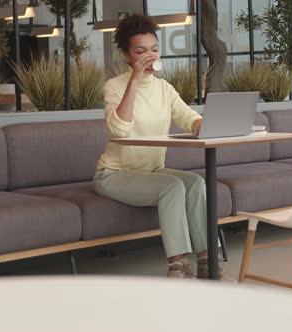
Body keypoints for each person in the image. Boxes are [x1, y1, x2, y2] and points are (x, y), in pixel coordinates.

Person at [93, 14, 217, 279]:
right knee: (172, 187)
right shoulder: (114, 87)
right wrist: (135, 79)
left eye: (154, 49)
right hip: (114, 174)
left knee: (195, 183)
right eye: (140, 51)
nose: (149, 56)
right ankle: (179, 267)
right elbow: (119, 129)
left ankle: (209, 264)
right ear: (127, 55)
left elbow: (188, 117)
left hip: (151, 171)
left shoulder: (164, 88)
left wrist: (204, 125)